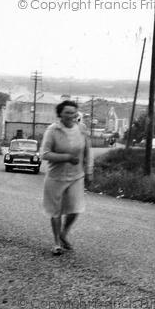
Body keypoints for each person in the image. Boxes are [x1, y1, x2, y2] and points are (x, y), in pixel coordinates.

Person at [41, 100, 94, 255]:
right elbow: (44, 154)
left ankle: (64, 234)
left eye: (74, 112)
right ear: (60, 115)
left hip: (76, 176)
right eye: (68, 112)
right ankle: (57, 242)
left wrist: (89, 171)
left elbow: (88, 152)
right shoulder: (53, 130)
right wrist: (66, 157)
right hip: (55, 177)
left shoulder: (82, 129)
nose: (72, 115)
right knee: (55, 211)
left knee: (76, 208)